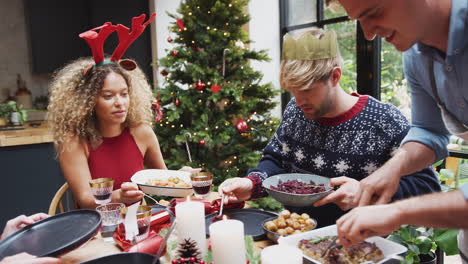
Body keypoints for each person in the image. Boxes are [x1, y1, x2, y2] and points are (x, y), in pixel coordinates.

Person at [219, 28, 440, 227]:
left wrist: (366, 193)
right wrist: (251, 183)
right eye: (293, 92)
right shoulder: (296, 111)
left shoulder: (384, 121)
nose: (299, 100)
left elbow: (427, 188)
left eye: (306, 90)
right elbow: (276, 159)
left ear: (335, 76)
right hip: (296, 239)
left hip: (363, 248)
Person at [328, 0, 468, 260]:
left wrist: (398, 212)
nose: (368, 33)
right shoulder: (415, 57)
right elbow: (429, 131)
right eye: (358, 19)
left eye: (373, 13)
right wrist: (392, 169)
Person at [48, 14, 198, 209]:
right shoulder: (74, 142)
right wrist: (119, 196)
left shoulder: (142, 132)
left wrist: (180, 176)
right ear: (88, 102)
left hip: (140, 221)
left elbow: (161, 183)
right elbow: (85, 199)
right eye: (108, 96)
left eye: (124, 94)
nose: (120, 103)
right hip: (98, 228)